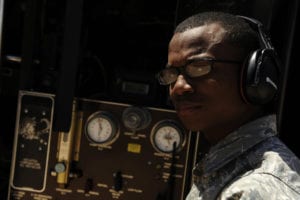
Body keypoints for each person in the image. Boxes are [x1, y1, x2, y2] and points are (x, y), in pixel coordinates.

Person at [156, 11, 300, 199]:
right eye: (172, 74)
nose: (178, 87)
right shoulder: (225, 170)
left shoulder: (254, 190)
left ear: (254, 76)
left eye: (199, 67)